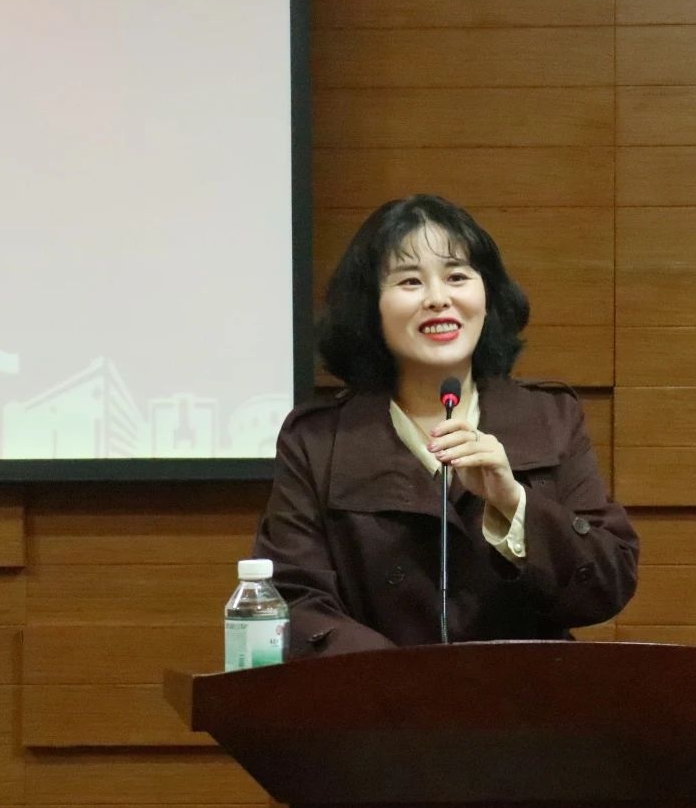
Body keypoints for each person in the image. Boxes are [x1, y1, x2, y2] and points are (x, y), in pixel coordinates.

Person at [253, 194, 638, 658]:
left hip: (524, 697)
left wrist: (514, 503)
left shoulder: (549, 418)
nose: (438, 299)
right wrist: (401, 680)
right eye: (410, 281)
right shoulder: (318, 440)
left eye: (457, 276)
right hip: (375, 696)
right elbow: (293, 599)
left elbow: (608, 583)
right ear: (370, 307)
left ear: (487, 295)